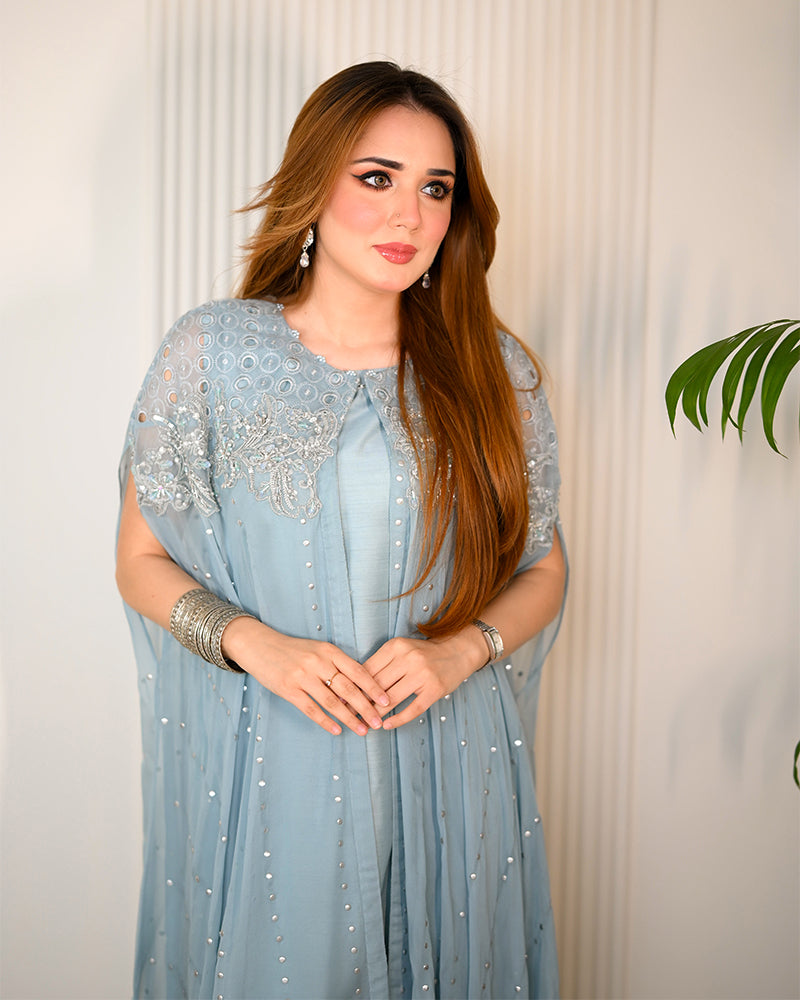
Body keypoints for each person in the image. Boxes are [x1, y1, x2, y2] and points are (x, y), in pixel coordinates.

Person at [116, 60, 566, 1000]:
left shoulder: (494, 369)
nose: (409, 215)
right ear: (313, 185)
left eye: (435, 188)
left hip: (451, 757)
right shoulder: (213, 352)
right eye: (376, 178)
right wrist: (257, 646)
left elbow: (543, 569)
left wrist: (461, 652)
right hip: (280, 751)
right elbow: (140, 561)